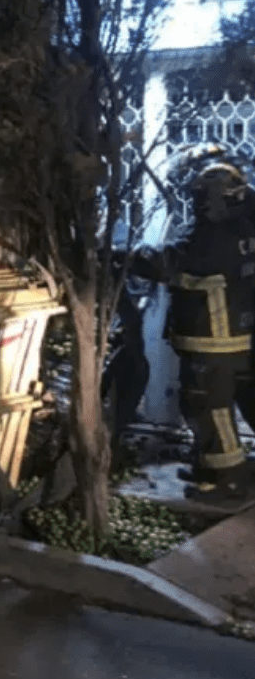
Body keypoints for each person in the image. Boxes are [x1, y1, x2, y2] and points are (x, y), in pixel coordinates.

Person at [135, 152, 255, 505]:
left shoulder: (210, 237)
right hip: (241, 335)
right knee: (242, 401)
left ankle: (226, 480)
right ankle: (211, 467)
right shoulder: (246, 228)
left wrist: (123, 256)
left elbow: (168, 262)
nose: (197, 203)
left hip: (213, 336)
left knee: (207, 407)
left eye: (202, 196)